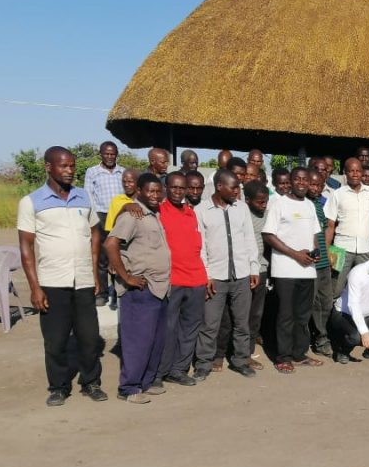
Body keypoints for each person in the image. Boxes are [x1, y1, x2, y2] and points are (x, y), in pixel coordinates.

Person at [18, 147, 106, 406]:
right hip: (52, 282)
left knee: (89, 338)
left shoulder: (83, 197)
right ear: (48, 167)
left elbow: (95, 233)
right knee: (55, 341)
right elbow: (26, 248)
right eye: (64, 166)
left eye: (72, 166)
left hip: (83, 281)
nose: (70, 171)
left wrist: (93, 272)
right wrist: (35, 288)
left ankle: (90, 383)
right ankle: (58, 386)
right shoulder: (32, 202)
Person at [104, 173, 171, 403]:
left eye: (157, 191)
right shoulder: (134, 215)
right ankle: (130, 388)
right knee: (137, 340)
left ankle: (147, 382)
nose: (154, 195)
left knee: (155, 340)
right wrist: (127, 277)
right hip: (140, 288)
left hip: (160, 288)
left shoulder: (155, 214)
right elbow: (110, 243)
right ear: (140, 191)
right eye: (150, 191)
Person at [192, 169, 260, 379]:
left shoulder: (241, 208)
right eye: (233, 188)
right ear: (219, 186)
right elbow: (200, 246)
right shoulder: (201, 210)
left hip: (241, 274)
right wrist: (206, 275)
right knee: (210, 324)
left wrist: (253, 267)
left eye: (238, 188)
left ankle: (240, 360)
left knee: (241, 323)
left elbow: (249, 239)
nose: (237, 192)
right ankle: (204, 363)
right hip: (215, 277)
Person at [263, 167, 323, 373]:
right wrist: (294, 254)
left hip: (307, 269)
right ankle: (283, 357)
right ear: (290, 181)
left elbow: (314, 233)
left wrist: (315, 251)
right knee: (286, 316)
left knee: (303, 316)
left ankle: (299, 354)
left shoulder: (309, 205)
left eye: (304, 179)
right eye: (296, 179)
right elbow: (268, 235)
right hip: (286, 270)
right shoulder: (279, 204)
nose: (301, 183)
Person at [153, 172, 208, 388]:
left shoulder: (191, 213)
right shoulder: (158, 211)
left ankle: (179, 369)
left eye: (182, 188)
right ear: (166, 188)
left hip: (196, 279)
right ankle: (159, 372)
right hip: (171, 280)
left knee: (190, 328)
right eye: (173, 187)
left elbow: (199, 246)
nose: (178, 191)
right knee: (168, 329)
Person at [325, 157, 369, 300]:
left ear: (362, 173)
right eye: (351, 171)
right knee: (334, 289)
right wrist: (327, 251)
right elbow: (330, 225)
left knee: (363, 289)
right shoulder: (337, 194)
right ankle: (330, 321)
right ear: (345, 173)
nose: (355, 174)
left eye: (358, 171)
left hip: (365, 249)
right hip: (339, 248)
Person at [83, 140, 124, 306]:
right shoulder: (92, 172)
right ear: (101, 154)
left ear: (116, 155)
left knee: (118, 255)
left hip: (119, 217)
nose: (109, 157)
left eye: (112, 154)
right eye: (106, 154)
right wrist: (93, 220)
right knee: (101, 256)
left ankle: (117, 292)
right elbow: (89, 195)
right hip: (100, 215)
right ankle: (102, 293)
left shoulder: (122, 172)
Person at [306, 170, 335, 357]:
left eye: (319, 186)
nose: (316, 188)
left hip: (324, 261)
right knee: (313, 303)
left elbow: (326, 232)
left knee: (326, 301)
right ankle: (320, 339)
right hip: (310, 262)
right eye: (313, 184)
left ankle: (321, 335)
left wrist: (329, 256)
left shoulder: (318, 205)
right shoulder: (303, 205)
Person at [243, 180, 270, 369]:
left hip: (261, 270)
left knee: (255, 315)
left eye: (266, 201)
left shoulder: (268, 215)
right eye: (259, 202)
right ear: (247, 200)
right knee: (239, 315)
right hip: (243, 271)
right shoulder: (242, 216)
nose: (263, 205)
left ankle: (248, 352)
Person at [105, 168, 138, 232]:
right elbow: (110, 228)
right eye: (124, 181)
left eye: (130, 182)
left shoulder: (145, 200)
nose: (126, 185)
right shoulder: (116, 200)